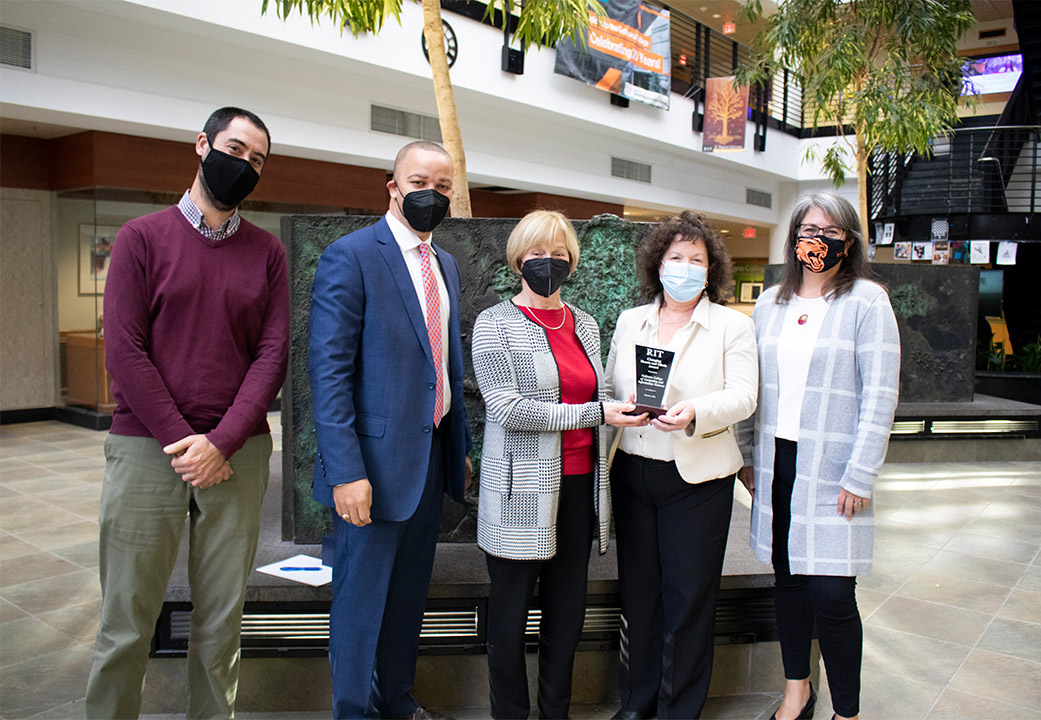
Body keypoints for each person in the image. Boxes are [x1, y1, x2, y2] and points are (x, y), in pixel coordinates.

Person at [86, 107, 288, 718]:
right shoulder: (141, 238)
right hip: (147, 447)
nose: (244, 165)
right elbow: (123, 350)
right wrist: (186, 441)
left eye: (257, 160)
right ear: (202, 145)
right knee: (126, 620)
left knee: (222, 624)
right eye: (234, 149)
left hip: (239, 453)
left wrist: (222, 443)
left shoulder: (268, 253)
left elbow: (273, 354)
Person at [308, 140, 472, 720]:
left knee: (406, 602)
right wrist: (346, 473)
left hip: (428, 465)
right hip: (369, 475)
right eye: (420, 182)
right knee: (359, 606)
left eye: (444, 186)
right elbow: (327, 377)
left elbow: (444, 367)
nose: (432, 194)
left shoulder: (445, 263)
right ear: (393, 187)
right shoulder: (350, 256)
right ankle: (353, 711)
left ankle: (397, 700)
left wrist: (459, 449)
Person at [472, 210, 648, 720]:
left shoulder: (585, 323)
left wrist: (626, 405)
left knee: (566, 616)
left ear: (571, 262)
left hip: (579, 489)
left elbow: (599, 394)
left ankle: (557, 713)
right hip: (519, 491)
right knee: (507, 622)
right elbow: (507, 407)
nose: (546, 262)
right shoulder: (495, 323)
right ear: (517, 259)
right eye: (535, 253)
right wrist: (597, 410)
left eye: (558, 254)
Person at [736, 193, 900, 720]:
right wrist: (747, 456)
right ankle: (796, 691)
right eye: (809, 228)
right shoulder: (769, 304)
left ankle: (846, 711)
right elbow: (751, 385)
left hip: (835, 466)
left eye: (831, 231)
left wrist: (861, 473)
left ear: (849, 241)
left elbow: (880, 395)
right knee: (787, 579)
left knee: (831, 591)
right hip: (777, 461)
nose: (818, 239)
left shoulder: (867, 302)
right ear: (793, 237)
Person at [605, 210, 758, 719]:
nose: (686, 267)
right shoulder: (631, 321)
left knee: (688, 601)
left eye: (697, 259)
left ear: (711, 269)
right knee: (640, 598)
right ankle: (637, 703)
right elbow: (609, 386)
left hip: (698, 480)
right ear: (657, 263)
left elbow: (743, 397)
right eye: (676, 257)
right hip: (634, 471)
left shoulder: (732, 326)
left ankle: (678, 709)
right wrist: (620, 406)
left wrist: (695, 412)